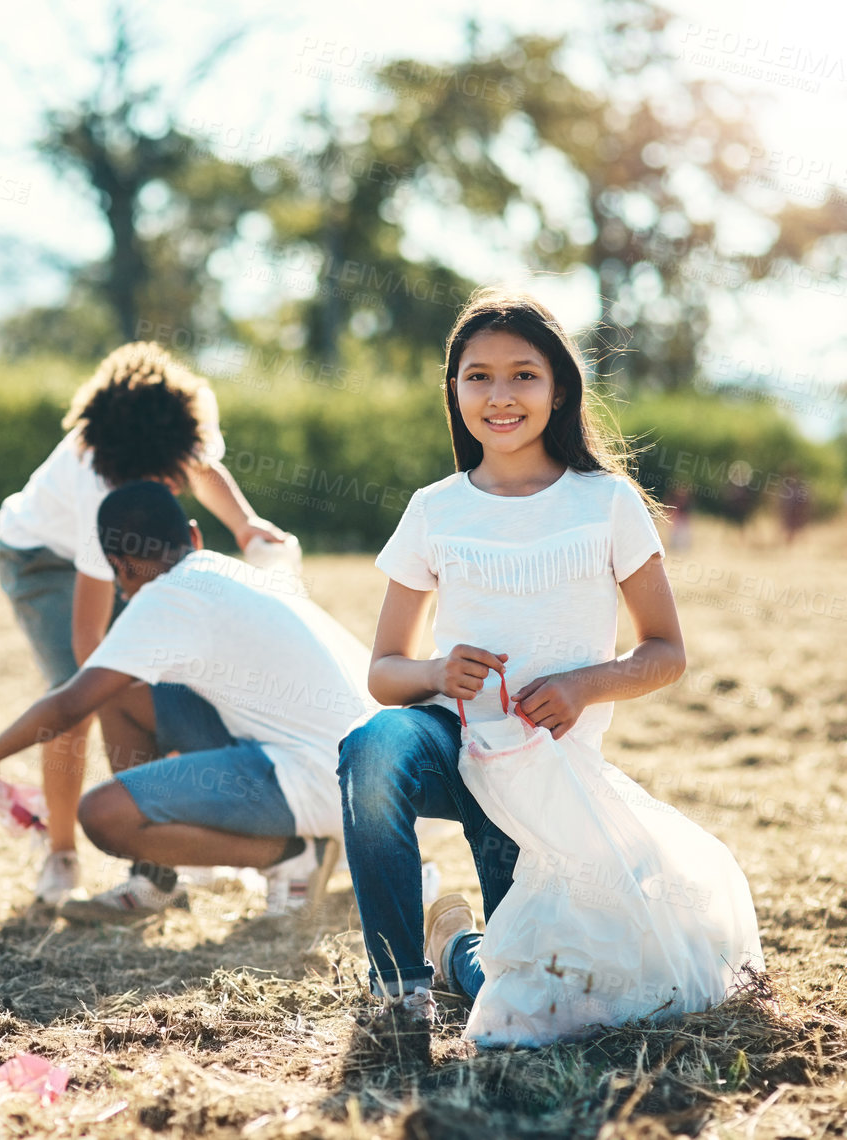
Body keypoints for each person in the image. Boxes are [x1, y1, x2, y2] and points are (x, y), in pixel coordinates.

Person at [338, 288, 684, 1066]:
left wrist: (585, 685)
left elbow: (665, 651)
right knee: (371, 751)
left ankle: (457, 944)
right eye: (477, 377)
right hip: (449, 742)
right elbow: (384, 672)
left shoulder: (607, 503)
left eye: (524, 375)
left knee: (535, 996)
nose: (500, 396)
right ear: (454, 390)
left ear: (560, 388)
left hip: (545, 774)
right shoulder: (434, 509)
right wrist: (435, 669)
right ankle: (398, 989)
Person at [0, 482, 363, 923]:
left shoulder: (164, 597)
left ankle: (291, 855)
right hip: (357, 770)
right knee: (120, 692)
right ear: (194, 536)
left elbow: (70, 703)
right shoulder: (226, 572)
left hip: (317, 782)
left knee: (103, 815)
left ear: (119, 565)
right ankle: (156, 879)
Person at [0, 342, 290, 906]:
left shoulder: (175, 437)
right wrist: (106, 688)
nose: (168, 487)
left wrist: (246, 526)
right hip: (39, 559)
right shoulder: (102, 489)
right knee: (75, 696)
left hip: (122, 553)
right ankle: (60, 854)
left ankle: (168, 852)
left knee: (166, 687)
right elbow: (88, 643)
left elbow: (203, 470)